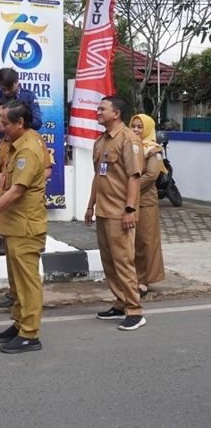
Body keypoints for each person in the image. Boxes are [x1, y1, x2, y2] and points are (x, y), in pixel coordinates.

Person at [0, 100, 47, 354]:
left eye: (5, 123)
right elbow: (6, 178)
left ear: (20, 123)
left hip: (26, 227)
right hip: (15, 226)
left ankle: (30, 334)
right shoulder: (17, 145)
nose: (0, 127)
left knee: (27, 283)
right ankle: (19, 324)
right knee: (16, 285)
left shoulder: (28, 150)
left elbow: (15, 191)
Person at [85, 95, 146, 331]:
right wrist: (91, 206)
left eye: (102, 109)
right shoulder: (101, 141)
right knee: (109, 262)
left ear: (116, 113)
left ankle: (135, 310)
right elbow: (98, 177)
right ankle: (120, 303)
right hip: (104, 211)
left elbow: (134, 177)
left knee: (123, 261)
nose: (98, 112)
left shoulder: (128, 139)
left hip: (121, 213)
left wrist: (130, 209)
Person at [129, 113, 166, 298]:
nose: (135, 130)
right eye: (133, 126)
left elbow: (151, 175)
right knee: (131, 242)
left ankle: (144, 280)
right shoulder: (130, 146)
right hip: (128, 201)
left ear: (148, 129)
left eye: (140, 127)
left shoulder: (154, 150)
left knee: (145, 241)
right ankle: (132, 277)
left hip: (145, 202)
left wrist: (129, 189)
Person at [0, 67, 42, 132]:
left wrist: (15, 113)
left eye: (10, 88)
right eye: (3, 89)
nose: (7, 92)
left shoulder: (29, 96)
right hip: (3, 140)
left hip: (24, 140)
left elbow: (37, 124)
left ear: (16, 82)